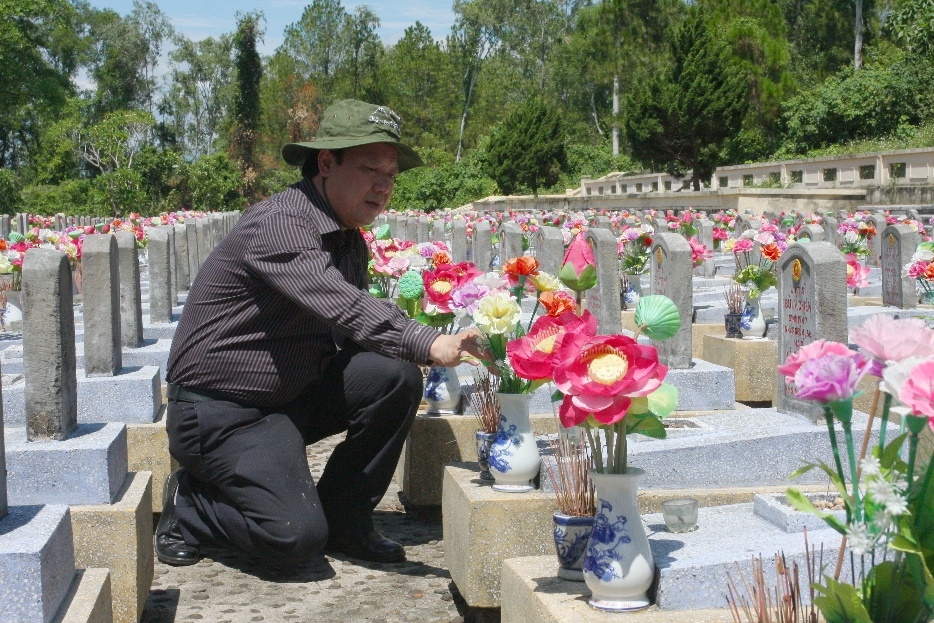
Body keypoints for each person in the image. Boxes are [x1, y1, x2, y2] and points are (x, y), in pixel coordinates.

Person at [156, 99, 484, 568]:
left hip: (290, 395)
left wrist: (415, 351)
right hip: (223, 413)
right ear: (327, 163)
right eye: (372, 169)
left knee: (395, 377)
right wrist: (429, 341)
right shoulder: (280, 224)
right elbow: (344, 304)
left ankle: (346, 520)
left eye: (391, 175)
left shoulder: (346, 233)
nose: (384, 186)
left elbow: (353, 334)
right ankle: (192, 505)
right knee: (293, 540)